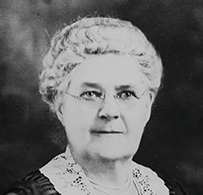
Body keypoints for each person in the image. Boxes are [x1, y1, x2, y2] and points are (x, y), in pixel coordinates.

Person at [4, 17, 187, 195]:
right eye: (90, 94)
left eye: (126, 94)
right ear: (60, 106)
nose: (109, 111)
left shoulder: (167, 190)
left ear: (147, 106)